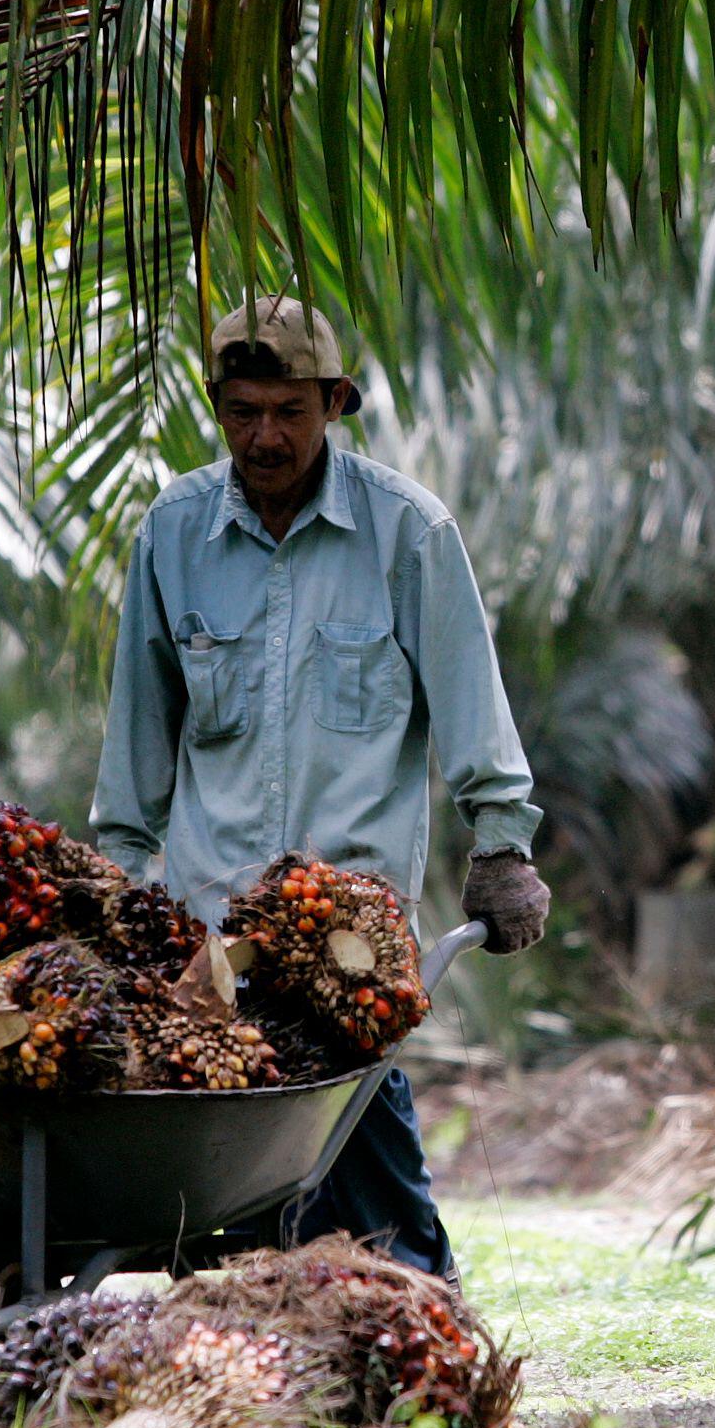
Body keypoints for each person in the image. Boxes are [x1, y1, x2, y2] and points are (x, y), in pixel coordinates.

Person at [90, 295, 551, 1278]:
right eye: (243, 409)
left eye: (289, 410)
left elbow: (471, 700)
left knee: (354, 1131)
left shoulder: (408, 533)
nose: (265, 434)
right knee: (232, 1165)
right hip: (210, 928)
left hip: (352, 928)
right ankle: (287, 1337)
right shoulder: (172, 534)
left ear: (335, 400)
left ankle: (421, 1326)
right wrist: (117, 886)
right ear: (215, 404)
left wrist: (502, 844)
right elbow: (138, 736)